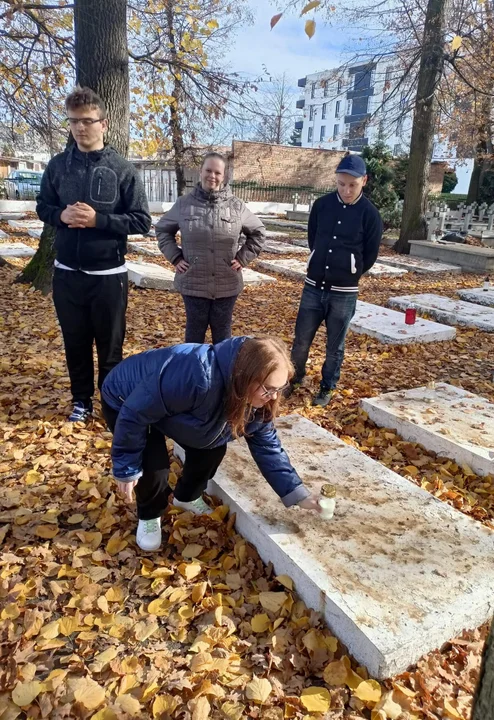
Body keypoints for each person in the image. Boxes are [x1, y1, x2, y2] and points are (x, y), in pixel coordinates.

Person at [101, 335, 321, 552]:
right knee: (154, 467)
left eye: (279, 389)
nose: (273, 398)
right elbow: (135, 412)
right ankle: (149, 514)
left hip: (167, 407)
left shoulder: (257, 400)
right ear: (246, 377)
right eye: (268, 389)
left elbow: (267, 447)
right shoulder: (196, 374)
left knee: (212, 449)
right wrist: (126, 467)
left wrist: (297, 494)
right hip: (127, 400)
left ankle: (186, 497)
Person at [36, 86, 151, 423]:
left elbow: (142, 220)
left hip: (108, 276)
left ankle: (111, 404)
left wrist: (99, 220)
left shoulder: (123, 169)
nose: (80, 128)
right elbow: (43, 206)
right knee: (76, 343)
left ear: (104, 123)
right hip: (67, 273)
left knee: (110, 347)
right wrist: (60, 216)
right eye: (73, 122)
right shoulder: (58, 166)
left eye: (87, 121)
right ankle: (81, 401)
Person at [286, 154, 383, 407]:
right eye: (341, 184)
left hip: (344, 292)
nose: (346, 190)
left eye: (352, 185)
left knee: (334, 346)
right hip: (313, 288)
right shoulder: (322, 205)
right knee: (301, 341)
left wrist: (350, 270)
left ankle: (327, 385)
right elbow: (313, 238)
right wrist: (317, 262)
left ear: (364, 180)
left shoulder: (370, 214)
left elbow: (370, 254)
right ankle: (295, 378)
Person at [156, 153, 265, 344]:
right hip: (193, 283)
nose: (212, 176)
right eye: (208, 170)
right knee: (194, 338)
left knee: (223, 340)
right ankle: (192, 373)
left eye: (217, 172)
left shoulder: (237, 207)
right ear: (201, 171)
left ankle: (219, 374)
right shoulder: (184, 204)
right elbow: (163, 230)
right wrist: (176, 258)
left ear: (224, 176)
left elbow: (258, 233)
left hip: (226, 285)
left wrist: (242, 259)